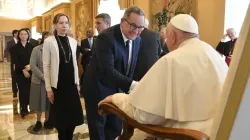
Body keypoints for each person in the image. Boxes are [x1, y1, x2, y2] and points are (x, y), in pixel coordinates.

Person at [99, 14, 229, 138]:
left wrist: (116, 98)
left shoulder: (171, 60)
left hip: (187, 136)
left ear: (172, 36)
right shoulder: (213, 54)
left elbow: (144, 115)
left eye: (166, 38)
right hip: (219, 132)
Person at [82, 6, 145, 140]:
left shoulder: (138, 39)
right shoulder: (106, 38)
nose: (137, 31)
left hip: (117, 92)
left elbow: (130, 68)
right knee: (99, 132)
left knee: (115, 130)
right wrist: (134, 85)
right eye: (133, 26)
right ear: (123, 22)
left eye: (140, 27)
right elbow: (107, 71)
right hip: (97, 89)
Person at [43, 13, 84, 140]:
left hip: (71, 85)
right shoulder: (49, 41)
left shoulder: (72, 41)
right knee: (61, 121)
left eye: (66, 22)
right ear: (55, 25)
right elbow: (46, 65)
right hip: (58, 85)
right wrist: (49, 89)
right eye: (61, 23)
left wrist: (77, 84)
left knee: (72, 119)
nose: (64, 25)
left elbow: (75, 65)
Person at [29, 31, 52, 132]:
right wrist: (43, 76)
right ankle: (38, 121)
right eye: (46, 37)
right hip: (38, 80)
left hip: (51, 81)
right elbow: (33, 66)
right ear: (43, 38)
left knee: (48, 101)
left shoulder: (54, 50)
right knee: (38, 101)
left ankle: (47, 120)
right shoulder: (36, 49)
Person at [12, 28, 34, 118]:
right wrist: (24, 70)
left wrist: (30, 66)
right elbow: (15, 61)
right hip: (20, 73)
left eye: (25, 34)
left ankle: (30, 106)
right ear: (18, 36)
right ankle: (23, 108)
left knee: (30, 90)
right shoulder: (14, 48)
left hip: (31, 72)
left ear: (28, 35)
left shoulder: (31, 46)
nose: (23, 36)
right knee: (22, 91)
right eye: (21, 34)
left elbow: (34, 58)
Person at [4, 29, 19, 98]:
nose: (19, 35)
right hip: (14, 62)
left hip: (22, 62)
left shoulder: (21, 41)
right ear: (14, 34)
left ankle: (21, 90)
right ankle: (15, 91)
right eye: (18, 33)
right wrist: (5, 58)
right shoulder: (10, 42)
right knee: (14, 77)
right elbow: (6, 50)